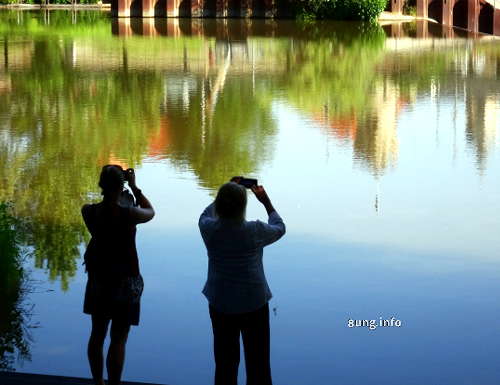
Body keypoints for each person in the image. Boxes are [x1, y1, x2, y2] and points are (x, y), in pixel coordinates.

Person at [198, 178, 286, 385]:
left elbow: (205, 214)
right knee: (258, 365)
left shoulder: (209, 229)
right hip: (253, 303)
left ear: (219, 205)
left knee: (225, 364)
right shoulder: (254, 230)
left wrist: (225, 192)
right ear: (243, 206)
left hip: (221, 303)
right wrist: (265, 201)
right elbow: (280, 227)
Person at [81, 165, 154, 385]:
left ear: (101, 184)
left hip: (99, 279)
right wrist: (135, 187)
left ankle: (98, 382)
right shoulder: (128, 213)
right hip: (125, 281)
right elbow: (151, 212)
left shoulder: (89, 211)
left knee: (97, 334)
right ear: (121, 184)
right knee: (119, 340)